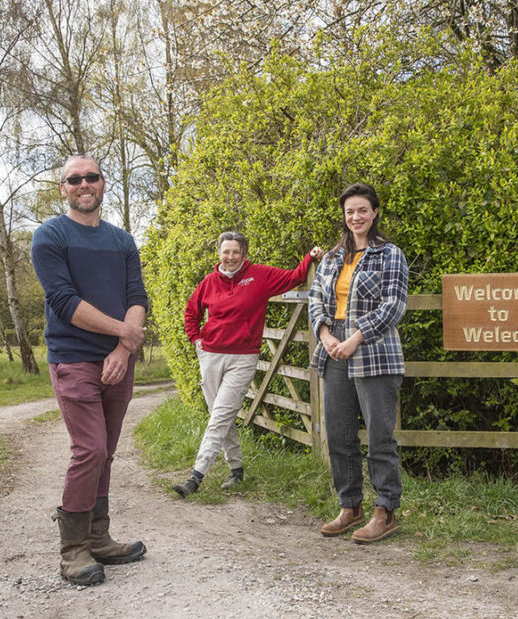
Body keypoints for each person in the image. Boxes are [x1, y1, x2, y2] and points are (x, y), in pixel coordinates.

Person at [31, 155, 148, 587]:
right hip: (73, 357)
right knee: (90, 450)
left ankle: (99, 539)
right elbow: (63, 301)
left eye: (91, 177)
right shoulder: (49, 236)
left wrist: (121, 348)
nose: (84, 184)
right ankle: (73, 550)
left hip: (119, 360)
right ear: (62, 188)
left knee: (106, 451)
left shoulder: (121, 240)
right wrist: (126, 334)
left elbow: (137, 294)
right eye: (74, 179)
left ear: (103, 183)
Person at [173, 232, 324, 496]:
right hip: (209, 355)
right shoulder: (209, 282)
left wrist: (309, 257)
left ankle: (195, 478)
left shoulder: (260, 276)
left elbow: (295, 277)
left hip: (243, 357)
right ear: (219, 253)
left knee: (220, 415)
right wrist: (196, 340)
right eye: (225, 252)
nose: (230, 257)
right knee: (221, 415)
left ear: (244, 253)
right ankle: (237, 470)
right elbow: (190, 312)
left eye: (235, 252)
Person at [309, 183, 408, 544]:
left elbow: (394, 305)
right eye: (350, 211)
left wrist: (355, 338)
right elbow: (316, 298)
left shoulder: (389, 254)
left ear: (375, 212)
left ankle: (386, 510)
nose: (356, 217)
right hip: (333, 349)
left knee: (380, 435)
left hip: (374, 351)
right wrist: (325, 335)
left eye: (362, 210)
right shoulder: (333, 257)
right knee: (338, 433)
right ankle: (350, 506)